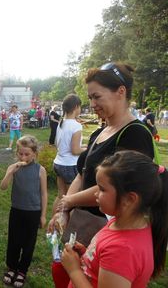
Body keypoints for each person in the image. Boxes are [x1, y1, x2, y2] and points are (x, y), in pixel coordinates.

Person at [48, 62, 155, 287]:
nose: (92, 104)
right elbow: (82, 173)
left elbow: (113, 185)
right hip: (82, 220)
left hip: (102, 223)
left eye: (97, 97)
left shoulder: (135, 134)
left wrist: (67, 201)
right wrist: (65, 209)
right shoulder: (100, 131)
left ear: (121, 92)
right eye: (89, 98)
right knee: (63, 270)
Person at [62, 150, 168, 287]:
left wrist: (74, 270)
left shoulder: (122, 251)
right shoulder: (120, 221)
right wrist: (87, 254)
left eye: (102, 189)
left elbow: (115, 258)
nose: (95, 193)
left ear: (130, 199)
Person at [0, 135, 47, 288]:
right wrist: (10, 172)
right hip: (17, 210)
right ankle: (12, 267)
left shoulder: (40, 170)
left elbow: (44, 194)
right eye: (20, 153)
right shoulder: (13, 167)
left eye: (27, 154)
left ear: (34, 154)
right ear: (17, 153)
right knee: (14, 240)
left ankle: (22, 270)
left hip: (33, 212)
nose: (23, 157)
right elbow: (3, 187)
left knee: (28, 243)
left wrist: (43, 215)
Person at [52, 94, 85, 214]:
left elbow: (57, 144)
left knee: (61, 195)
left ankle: (53, 228)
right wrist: (88, 149)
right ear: (76, 107)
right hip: (70, 165)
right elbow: (75, 151)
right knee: (71, 200)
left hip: (58, 163)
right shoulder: (76, 125)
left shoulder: (61, 122)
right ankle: (64, 227)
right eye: (80, 107)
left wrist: (83, 147)